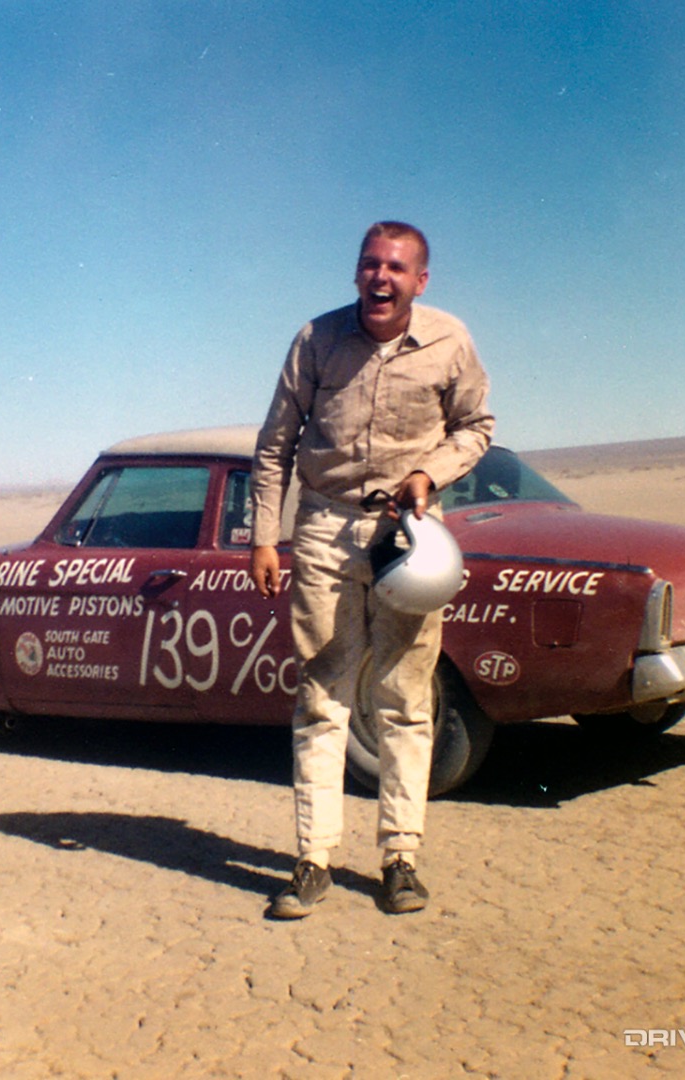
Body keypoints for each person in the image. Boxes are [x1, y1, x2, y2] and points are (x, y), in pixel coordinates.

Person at [250, 221, 494, 917]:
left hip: (407, 534)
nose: (379, 278)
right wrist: (264, 537)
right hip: (324, 527)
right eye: (368, 265)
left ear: (420, 280)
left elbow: (476, 426)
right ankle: (312, 858)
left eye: (395, 268)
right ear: (355, 273)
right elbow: (274, 444)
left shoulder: (450, 341)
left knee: (403, 697)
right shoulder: (315, 340)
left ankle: (399, 859)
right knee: (323, 694)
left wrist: (428, 472)